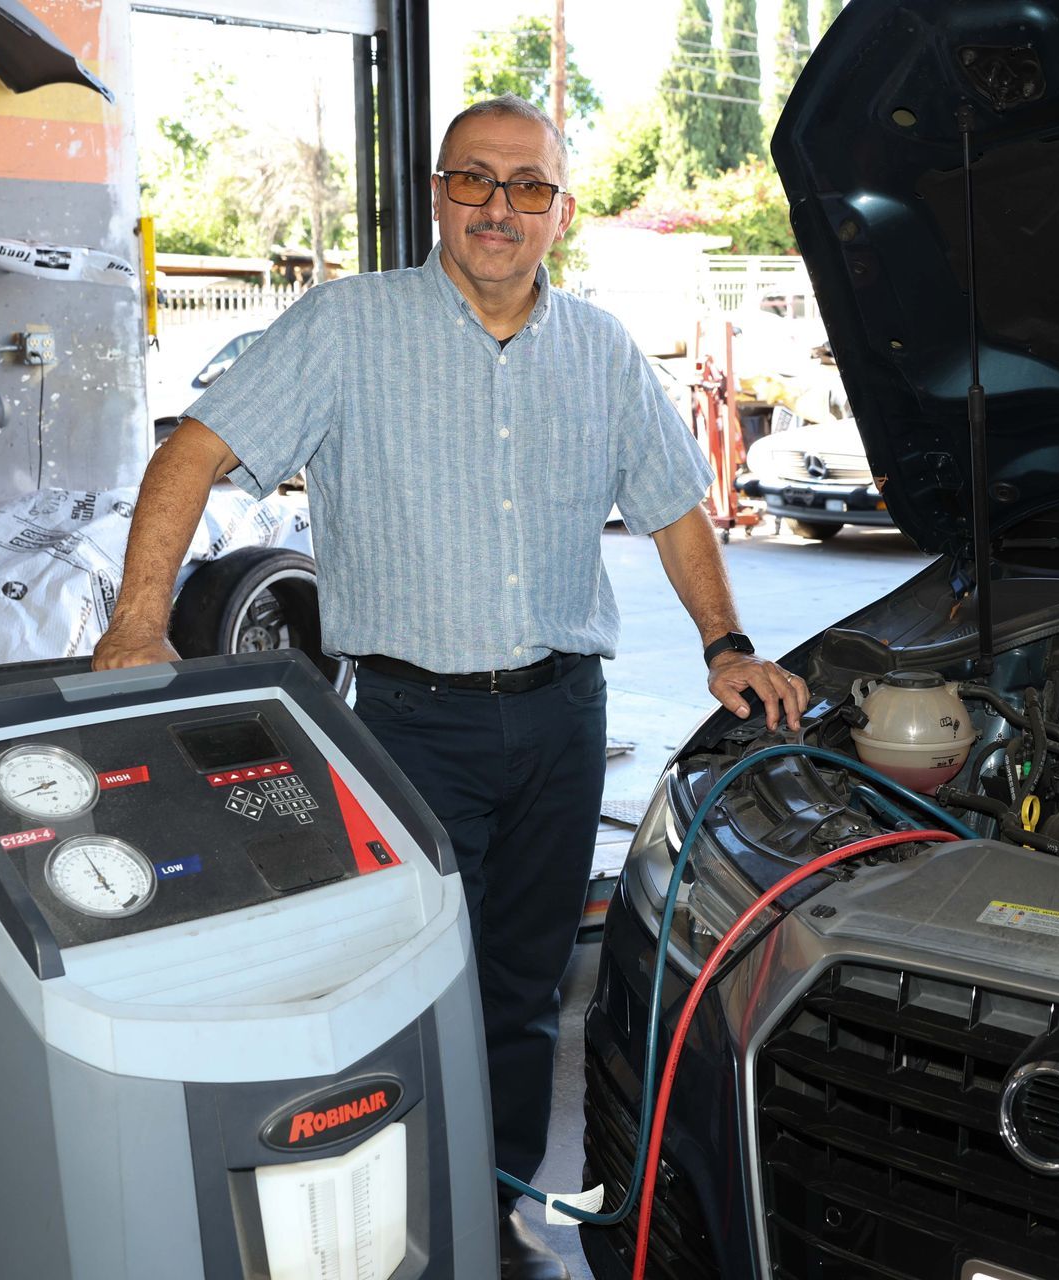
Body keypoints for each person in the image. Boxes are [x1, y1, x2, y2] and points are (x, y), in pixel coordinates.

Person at [94, 93, 807, 1279]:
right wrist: (136, 620)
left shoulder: (602, 348)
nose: (499, 207)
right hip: (405, 725)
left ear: (563, 211)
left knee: (526, 989)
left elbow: (680, 505)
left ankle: (501, 1205)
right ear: (437, 194)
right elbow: (194, 452)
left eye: (528, 185)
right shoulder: (345, 326)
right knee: (402, 984)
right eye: (474, 180)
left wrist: (726, 640)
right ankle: (392, 1218)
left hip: (563, 715)